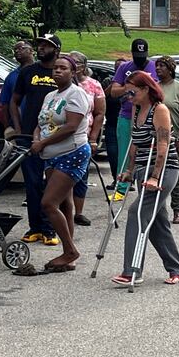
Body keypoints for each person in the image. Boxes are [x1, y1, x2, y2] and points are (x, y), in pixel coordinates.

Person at [111, 71, 179, 286]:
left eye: (132, 91)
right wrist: (128, 170)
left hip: (164, 170)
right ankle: (177, 269)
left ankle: (132, 271)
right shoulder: (136, 108)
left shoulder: (159, 110)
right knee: (157, 222)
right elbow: (135, 143)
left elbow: (162, 146)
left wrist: (155, 177)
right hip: (143, 168)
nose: (129, 95)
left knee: (137, 212)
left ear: (145, 89)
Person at [30, 55, 90, 271]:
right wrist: (37, 140)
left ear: (73, 73)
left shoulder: (77, 94)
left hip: (71, 152)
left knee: (48, 203)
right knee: (63, 204)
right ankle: (69, 254)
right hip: (50, 155)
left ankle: (70, 251)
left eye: (63, 68)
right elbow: (41, 123)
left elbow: (71, 126)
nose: (57, 71)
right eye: (55, 68)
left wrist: (43, 142)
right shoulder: (50, 96)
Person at [11, 34, 60, 246]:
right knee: (32, 183)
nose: (41, 48)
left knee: (52, 185)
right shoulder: (28, 72)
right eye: (39, 44)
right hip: (29, 136)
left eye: (46, 45)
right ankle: (35, 228)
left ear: (56, 50)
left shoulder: (61, 72)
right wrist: (19, 128)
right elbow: (14, 101)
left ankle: (51, 229)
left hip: (56, 138)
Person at [108, 39, 158, 201]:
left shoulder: (154, 67)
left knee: (147, 151)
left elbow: (159, 90)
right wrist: (128, 88)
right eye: (137, 57)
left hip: (149, 116)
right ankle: (121, 188)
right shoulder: (124, 68)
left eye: (142, 57)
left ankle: (146, 184)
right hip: (126, 115)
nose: (140, 60)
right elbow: (114, 92)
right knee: (124, 152)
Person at [154, 55, 179, 224]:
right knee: (155, 172)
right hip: (155, 138)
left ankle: (177, 209)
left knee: (175, 174)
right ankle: (156, 208)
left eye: (162, 66)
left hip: (174, 137)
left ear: (170, 69)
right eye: (157, 66)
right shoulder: (154, 88)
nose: (158, 69)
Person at [69, 51, 105, 227]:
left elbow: (99, 113)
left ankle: (79, 212)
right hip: (63, 136)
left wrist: (93, 138)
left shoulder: (93, 85)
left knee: (81, 175)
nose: (73, 66)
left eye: (76, 63)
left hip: (84, 135)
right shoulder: (62, 85)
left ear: (84, 66)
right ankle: (63, 211)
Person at [0, 40, 34, 138]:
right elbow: (5, 103)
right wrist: (7, 126)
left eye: (21, 48)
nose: (17, 51)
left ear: (31, 51)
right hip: (17, 126)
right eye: (15, 49)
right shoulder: (12, 76)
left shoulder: (40, 73)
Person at [103, 58, 125, 191]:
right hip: (111, 123)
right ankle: (115, 179)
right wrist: (113, 84)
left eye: (122, 67)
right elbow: (102, 97)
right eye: (117, 67)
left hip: (125, 122)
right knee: (112, 153)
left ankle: (126, 180)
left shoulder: (131, 80)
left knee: (126, 153)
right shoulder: (108, 81)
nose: (119, 69)